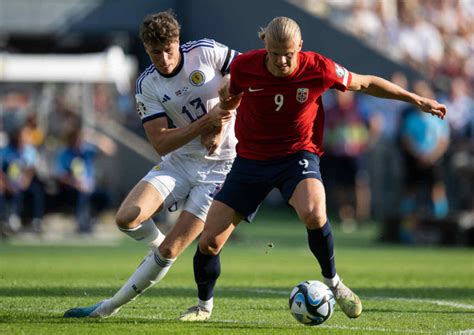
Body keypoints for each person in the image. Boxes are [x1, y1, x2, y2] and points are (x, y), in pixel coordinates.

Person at [193, 16, 447, 320]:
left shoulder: (318, 67)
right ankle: (203, 307)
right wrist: (220, 127)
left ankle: (333, 282)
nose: (282, 61)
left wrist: (413, 98)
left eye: (289, 53)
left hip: (297, 155)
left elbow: (365, 82)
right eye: (275, 54)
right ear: (265, 46)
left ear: (300, 47)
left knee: (314, 212)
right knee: (209, 242)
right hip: (251, 160)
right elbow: (231, 98)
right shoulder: (245, 66)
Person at [63, 9, 238, 321]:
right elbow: (160, 143)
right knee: (126, 218)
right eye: (156, 53)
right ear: (146, 49)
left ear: (178, 42)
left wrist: (221, 125)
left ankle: (107, 308)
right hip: (180, 161)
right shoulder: (148, 84)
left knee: (172, 251)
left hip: (220, 168)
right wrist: (206, 123)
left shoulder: (206, 52)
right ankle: (158, 252)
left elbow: (247, 76)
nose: (164, 60)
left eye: (168, 50)